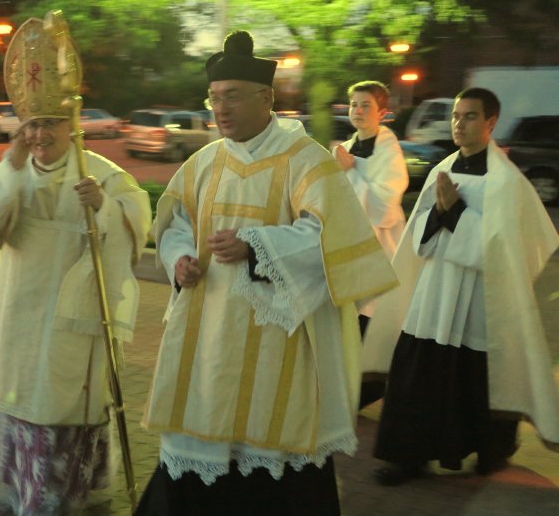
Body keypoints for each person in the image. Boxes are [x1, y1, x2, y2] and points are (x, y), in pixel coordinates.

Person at [137, 30, 398, 515]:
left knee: (272, 443)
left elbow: (329, 235)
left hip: (279, 337)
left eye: (232, 96)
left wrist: (256, 246)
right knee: (205, 435)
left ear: (266, 98)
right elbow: (175, 222)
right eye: (215, 98)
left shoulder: (307, 162)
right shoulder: (203, 163)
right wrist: (179, 258)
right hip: (209, 332)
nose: (221, 109)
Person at [0, 15, 151, 515]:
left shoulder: (104, 176)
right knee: (21, 408)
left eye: (50, 123)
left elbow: (135, 229)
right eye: (31, 124)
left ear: (72, 124)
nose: (39, 134)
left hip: (72, 327)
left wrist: (104, 209)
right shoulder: (10, 174)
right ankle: (18, 498)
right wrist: (10, 170)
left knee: (64, 411)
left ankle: (62, 503)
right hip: (20, 322)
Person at [364, 87, 559, 486]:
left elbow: (510, 248)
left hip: (477, 297)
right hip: (435, 292)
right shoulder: (444, 169)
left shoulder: (506, 181)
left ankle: (489, 451)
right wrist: (440, 214)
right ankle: (408, 458)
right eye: (456, 116)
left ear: (490, 122)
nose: (459, 124)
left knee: (475, 375)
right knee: (418, 373)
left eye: (470, 116)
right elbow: (417, 233)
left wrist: (455, 213)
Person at [334, 81, 408, 407]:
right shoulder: (345, 149)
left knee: (371, 323)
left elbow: (385, 208)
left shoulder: (389, 153)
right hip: (348, 251)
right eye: (354, 104)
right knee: (346, 325)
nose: (358, 111)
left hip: (380, 249)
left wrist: (350, 173)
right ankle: (345, 390)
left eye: (366, 105)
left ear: (382, 112)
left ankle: (365, 391)